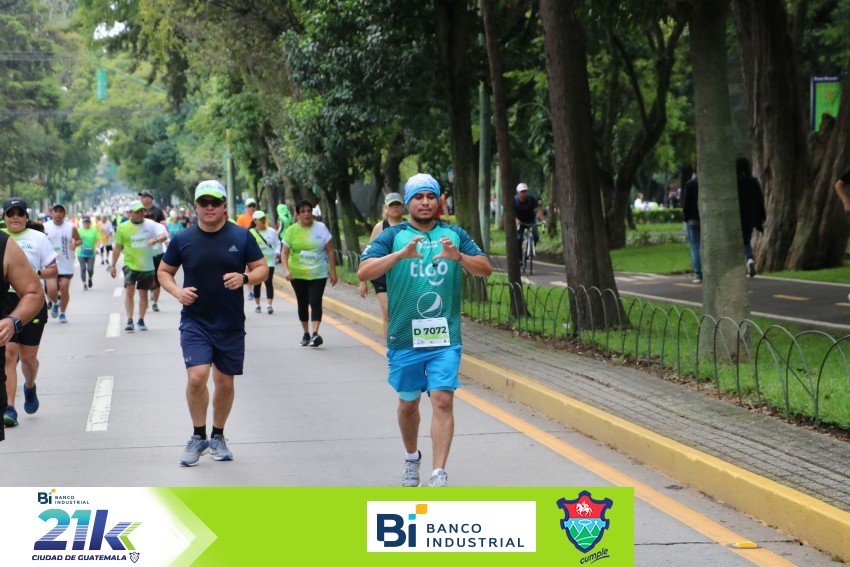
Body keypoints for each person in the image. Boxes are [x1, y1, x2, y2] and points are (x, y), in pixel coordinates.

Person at [357, 173, 492, 488]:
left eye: (431, 196)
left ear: (438, 201)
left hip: (445, 336)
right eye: (418, 197)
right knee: (408, 404)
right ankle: (411, 458)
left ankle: (438, 473)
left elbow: (485, 268)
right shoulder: (393, 236)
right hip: (404, 336)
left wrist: (459, 257)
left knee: (443, 399)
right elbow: (363, 270)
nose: (425, 202)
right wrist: (400, 256)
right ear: (408, 203)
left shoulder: (453, 234)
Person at [158, 180, 267, 466]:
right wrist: (177, 292)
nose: (209, 207)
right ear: (195, 206)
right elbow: (164, 271)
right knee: (197, 377)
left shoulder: (241, 236)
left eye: (215, 202)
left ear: (223, 206)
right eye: (204, 202)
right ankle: (198, 436)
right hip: (195, 320)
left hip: (230, 322)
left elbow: (262, 269)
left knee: (225, 382)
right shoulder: (183, 238)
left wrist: (245, 277)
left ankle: (218, 436)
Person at [1, 199, 55, 428]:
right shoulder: (2, 237)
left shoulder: (38, 238)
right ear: (4, 217)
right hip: (6, 301)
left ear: (26, 216)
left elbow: (52, 269)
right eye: (10, 213)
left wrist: (35, 273)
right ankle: (9, 408)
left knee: (28, 359)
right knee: (8, 354)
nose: (15, 217)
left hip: (30, 301)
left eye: (20, 213)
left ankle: (30, 386)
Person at [281, 199, 338, 347]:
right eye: (303, 211)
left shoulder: (321, 228)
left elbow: (330, 251)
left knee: (315, 301)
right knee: (303, 302)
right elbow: (284, 253)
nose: (306, 214)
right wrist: (286, 270)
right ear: (297, 214)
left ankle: (315, 333)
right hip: (297, 274)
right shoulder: (291, 230)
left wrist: (333, 272)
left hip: (318, 273)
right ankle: (306, 333)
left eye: (309, 211)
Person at [110, 201, 168, 332]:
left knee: (143, 294)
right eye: (137, 211)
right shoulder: (123, 227)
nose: (141, 213)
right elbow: (118, 247)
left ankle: (141, 320)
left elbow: (164, 235)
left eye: (142, 211)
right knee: (129, 292)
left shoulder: (150, 224)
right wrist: (113, 265)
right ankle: (129, 320)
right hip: (129, 265)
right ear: (130, 213)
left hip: (146, 267)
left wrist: (156, 240)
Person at [359, 192, 405, 338]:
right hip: (382, 276)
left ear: (403, 207)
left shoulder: (409, 226)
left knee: (403, 313)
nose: (395, 207)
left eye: (398, 204)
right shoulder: (380, 227)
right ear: (386, 208)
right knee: (388, 313)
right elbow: (367, 254)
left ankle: (403, 342)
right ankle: (390, 346)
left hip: (402, 275)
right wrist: (362, 281)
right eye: (392, 205)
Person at [44, 203, 81, 323]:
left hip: (66, 263)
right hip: (50, 264)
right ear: (52, 213)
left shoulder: (70, 227)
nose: (58, 214)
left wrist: (75, 243)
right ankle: (56, 303)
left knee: (64, 288)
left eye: (61, 212)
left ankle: (63, 313)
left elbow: (79, 240)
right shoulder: (45, 227)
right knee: (51, 290)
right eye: (56, 211)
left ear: (64, 214)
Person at [736, 157, 767, 278]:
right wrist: (762, 216)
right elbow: (759, 200)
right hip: (749, 217)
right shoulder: (753, 182)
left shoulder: (734, 182)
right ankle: (749, 259)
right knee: (746, 241)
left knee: (737, 243)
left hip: (736, 216)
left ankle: (741, 265)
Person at [249, 210, 280, 314]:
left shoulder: (271, 231)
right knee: (257, 283)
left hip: (270, 261)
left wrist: (277, 252)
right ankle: (257, 305)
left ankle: (269, 305)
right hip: (256, 262)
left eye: (264, 218)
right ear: (255, 221)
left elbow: (278, 243)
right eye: (260, 219)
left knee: (268, 281)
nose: (263, 220)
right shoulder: (251, 232)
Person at [681, 169, 701, 283]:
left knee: (695, 246)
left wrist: (686, 218)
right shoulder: (709, 184)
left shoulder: (690, 184)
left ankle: (698, 273)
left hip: (692, 219)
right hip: (706, 219)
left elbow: (686, 203)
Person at [77, 216, 98, 291]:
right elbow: (75, 240)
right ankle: (84, 284)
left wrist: (96, 248)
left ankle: (90, 278)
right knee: (83, 268)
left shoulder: (94, 230)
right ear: (83, 223)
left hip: (91, 253)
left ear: (90, 222)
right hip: (81, 252)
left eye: (88, 222)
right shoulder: (79, 231)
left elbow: (97, 240)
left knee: (90, 269)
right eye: (85, 222)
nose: (86, 223)